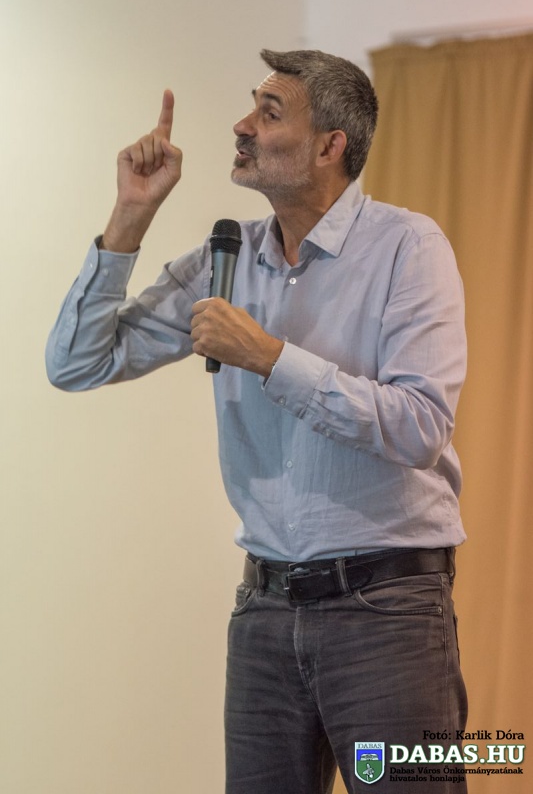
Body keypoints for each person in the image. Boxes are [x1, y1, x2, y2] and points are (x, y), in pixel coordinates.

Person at [46, 49, 468, 793]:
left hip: (389, 611)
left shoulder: (408, 247)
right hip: (264, 612)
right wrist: (131, 215)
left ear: (330, 146)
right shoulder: (225, 257)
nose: (241, 126)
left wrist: (271, 357)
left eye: (269, 114)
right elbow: (76, 362)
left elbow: (419, 425)